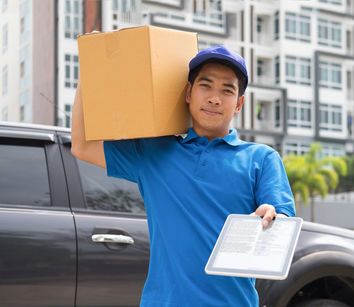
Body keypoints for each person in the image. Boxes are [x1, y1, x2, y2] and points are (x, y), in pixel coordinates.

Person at [71, 45, 296, 307]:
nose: (214, 98)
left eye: (227, 90)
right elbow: (82, 145)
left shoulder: (262, 158)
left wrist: (273, 216)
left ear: (239, 103)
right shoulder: (154, 152)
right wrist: (90, 66)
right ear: (189, 93)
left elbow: (282, 223)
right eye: (206, 86)